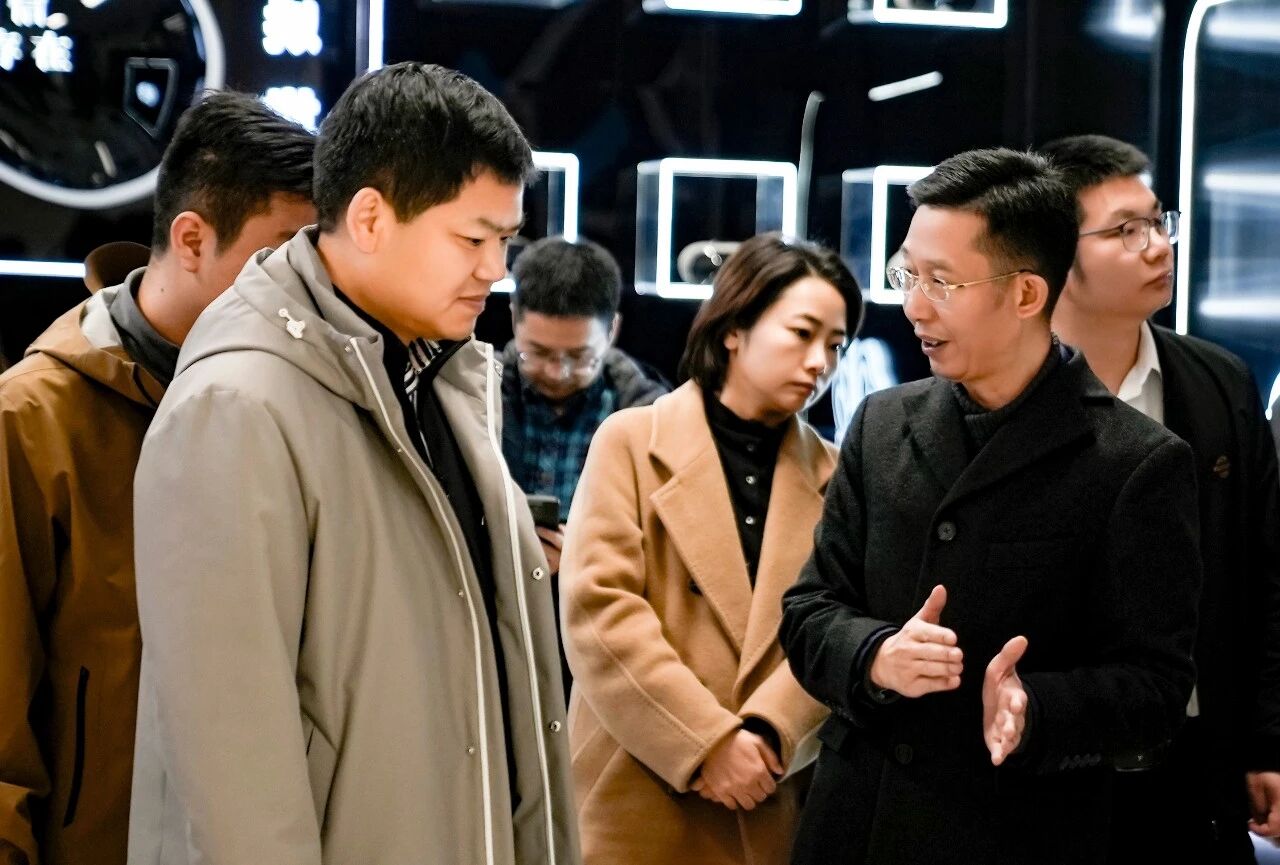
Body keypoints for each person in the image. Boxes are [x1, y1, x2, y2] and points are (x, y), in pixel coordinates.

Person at [126, 63, 578, 865]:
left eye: (505, 241)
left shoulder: (440, 380)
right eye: (473, 239)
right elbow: (234, 771)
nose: (495, 269)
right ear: (369, 217)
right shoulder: (237, 405)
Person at [780, 148, 1202, 865]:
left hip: (1014, 828)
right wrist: (875, 655)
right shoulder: (881, 422)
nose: (914, 305)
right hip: (859, 821)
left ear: (1028, 294)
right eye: (908, 274)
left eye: (942, 282)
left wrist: (1035, 708)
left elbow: (1155, 686)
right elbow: (809, 608)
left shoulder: (1135, 461)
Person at [0, 91, 315, 865]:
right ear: (192, 239)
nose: (303, 292)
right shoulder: (35, 417)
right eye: (279, 257)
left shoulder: (302, 405)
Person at [560, 233, 862, 864]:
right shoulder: (632, 441)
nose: (820, 362)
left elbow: (839, 627)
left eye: (835, 345)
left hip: (769, 792)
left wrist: (769, 733)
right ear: (733, 329)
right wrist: (706, 742)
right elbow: (599, 609)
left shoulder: (838, 475)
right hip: (637, 785)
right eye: (801, 333)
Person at [1043, 133, 1280, 863]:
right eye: (1125, 230)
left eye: (1158, 222)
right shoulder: (1007, 389)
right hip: (1050, 757)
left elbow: (1264, 569)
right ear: (1054, 254)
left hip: (1194, 755)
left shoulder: (1219, 381)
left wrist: (1266, 740)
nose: (1158, 247)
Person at [500, 235, 668, 576]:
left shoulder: (652, 418)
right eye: (537, 353)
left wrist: (587, 558)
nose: (557, 373)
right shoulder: (474, 399)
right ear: (514, 319)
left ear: (612, 330)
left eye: (579, 357)